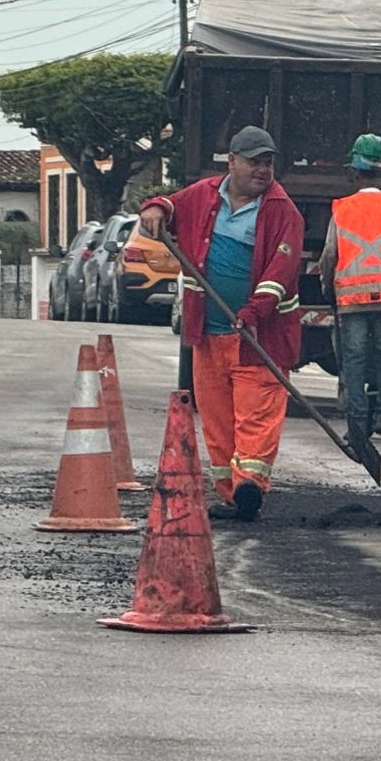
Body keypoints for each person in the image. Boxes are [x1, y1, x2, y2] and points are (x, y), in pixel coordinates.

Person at [138, 125, 304, 522]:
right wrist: (155, 208)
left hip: (259, 337)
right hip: (209, 333)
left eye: (268, 163)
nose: (263, 170)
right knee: (216, 419)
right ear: (231, 161)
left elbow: (279, 274)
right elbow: (169, 205)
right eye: (254, 162)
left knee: (256, 415)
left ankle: (250, 486)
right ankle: (230, 494)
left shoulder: (283, 212)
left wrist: (253, 312)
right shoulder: (204, 194)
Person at [318, 134, 381, 445]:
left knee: (354, 359)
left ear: (354, 171)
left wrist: (327, 289)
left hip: (351, 298)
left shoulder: (342, 208)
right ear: (380, 169)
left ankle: (357, 425)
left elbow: (329, 255)